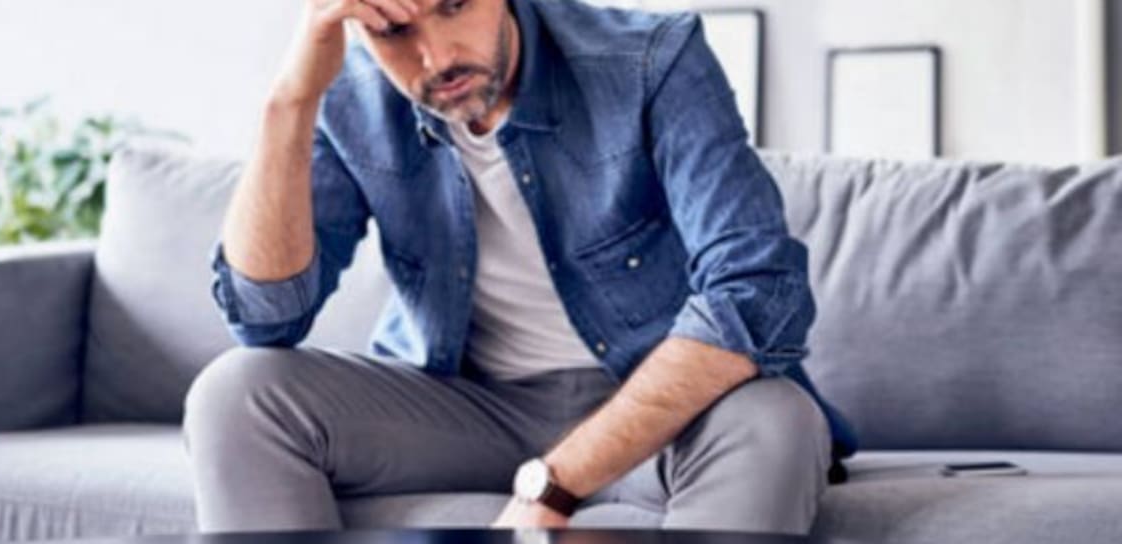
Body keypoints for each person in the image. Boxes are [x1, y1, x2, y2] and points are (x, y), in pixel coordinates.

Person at [183, 0, 857, 536]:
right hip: (463, 410)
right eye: (394, 31)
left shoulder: (651, 58)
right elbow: (265, 321)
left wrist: (553, 483)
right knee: (235, 393)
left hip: (659, 416)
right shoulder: (347, 97)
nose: (437, 57)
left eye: (454, 6)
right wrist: (291, 102)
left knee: (777, 419)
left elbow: (756, 292)